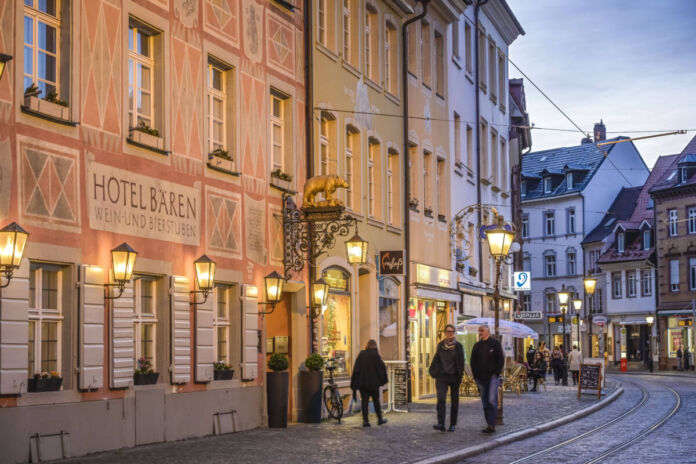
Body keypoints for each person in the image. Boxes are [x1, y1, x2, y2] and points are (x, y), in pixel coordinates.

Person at [429, 324, 465, 432]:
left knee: (454, 401)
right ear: (445, 333)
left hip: (454, 376)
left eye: (452, 332)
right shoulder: (440, 345)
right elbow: (437, 359)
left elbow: (461, 361)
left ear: (454, 333)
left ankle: (452, 424)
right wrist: (434, 371)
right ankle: (441, 423)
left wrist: (460, 375)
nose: (450, 333)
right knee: (441, 400)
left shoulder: (458, 346)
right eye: (448, 331)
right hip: (442, 376)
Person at [470, 324, 504, 434]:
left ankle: (492, 424)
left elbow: (500, 359)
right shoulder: (477, 345)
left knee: (491, 400)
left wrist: (496, 373)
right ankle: (489, 424)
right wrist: (475, 376)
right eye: (479, 330)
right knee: (485, 402)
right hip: (480, 378)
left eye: (482, 330)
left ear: (488, 332)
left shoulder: (495, 344)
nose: (480, 332)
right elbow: (472, 361)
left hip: (492, 378)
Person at [350, 339, 388, 427]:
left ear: (367, 345)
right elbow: (381, 368)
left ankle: (365, 421)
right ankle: (379, 419)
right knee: (376, 401)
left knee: (365, 401)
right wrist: (382, 379)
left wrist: (355, 381)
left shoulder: (362, 354)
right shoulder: (376, 355)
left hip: (363, 383)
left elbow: (356, 368)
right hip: (374, 383)